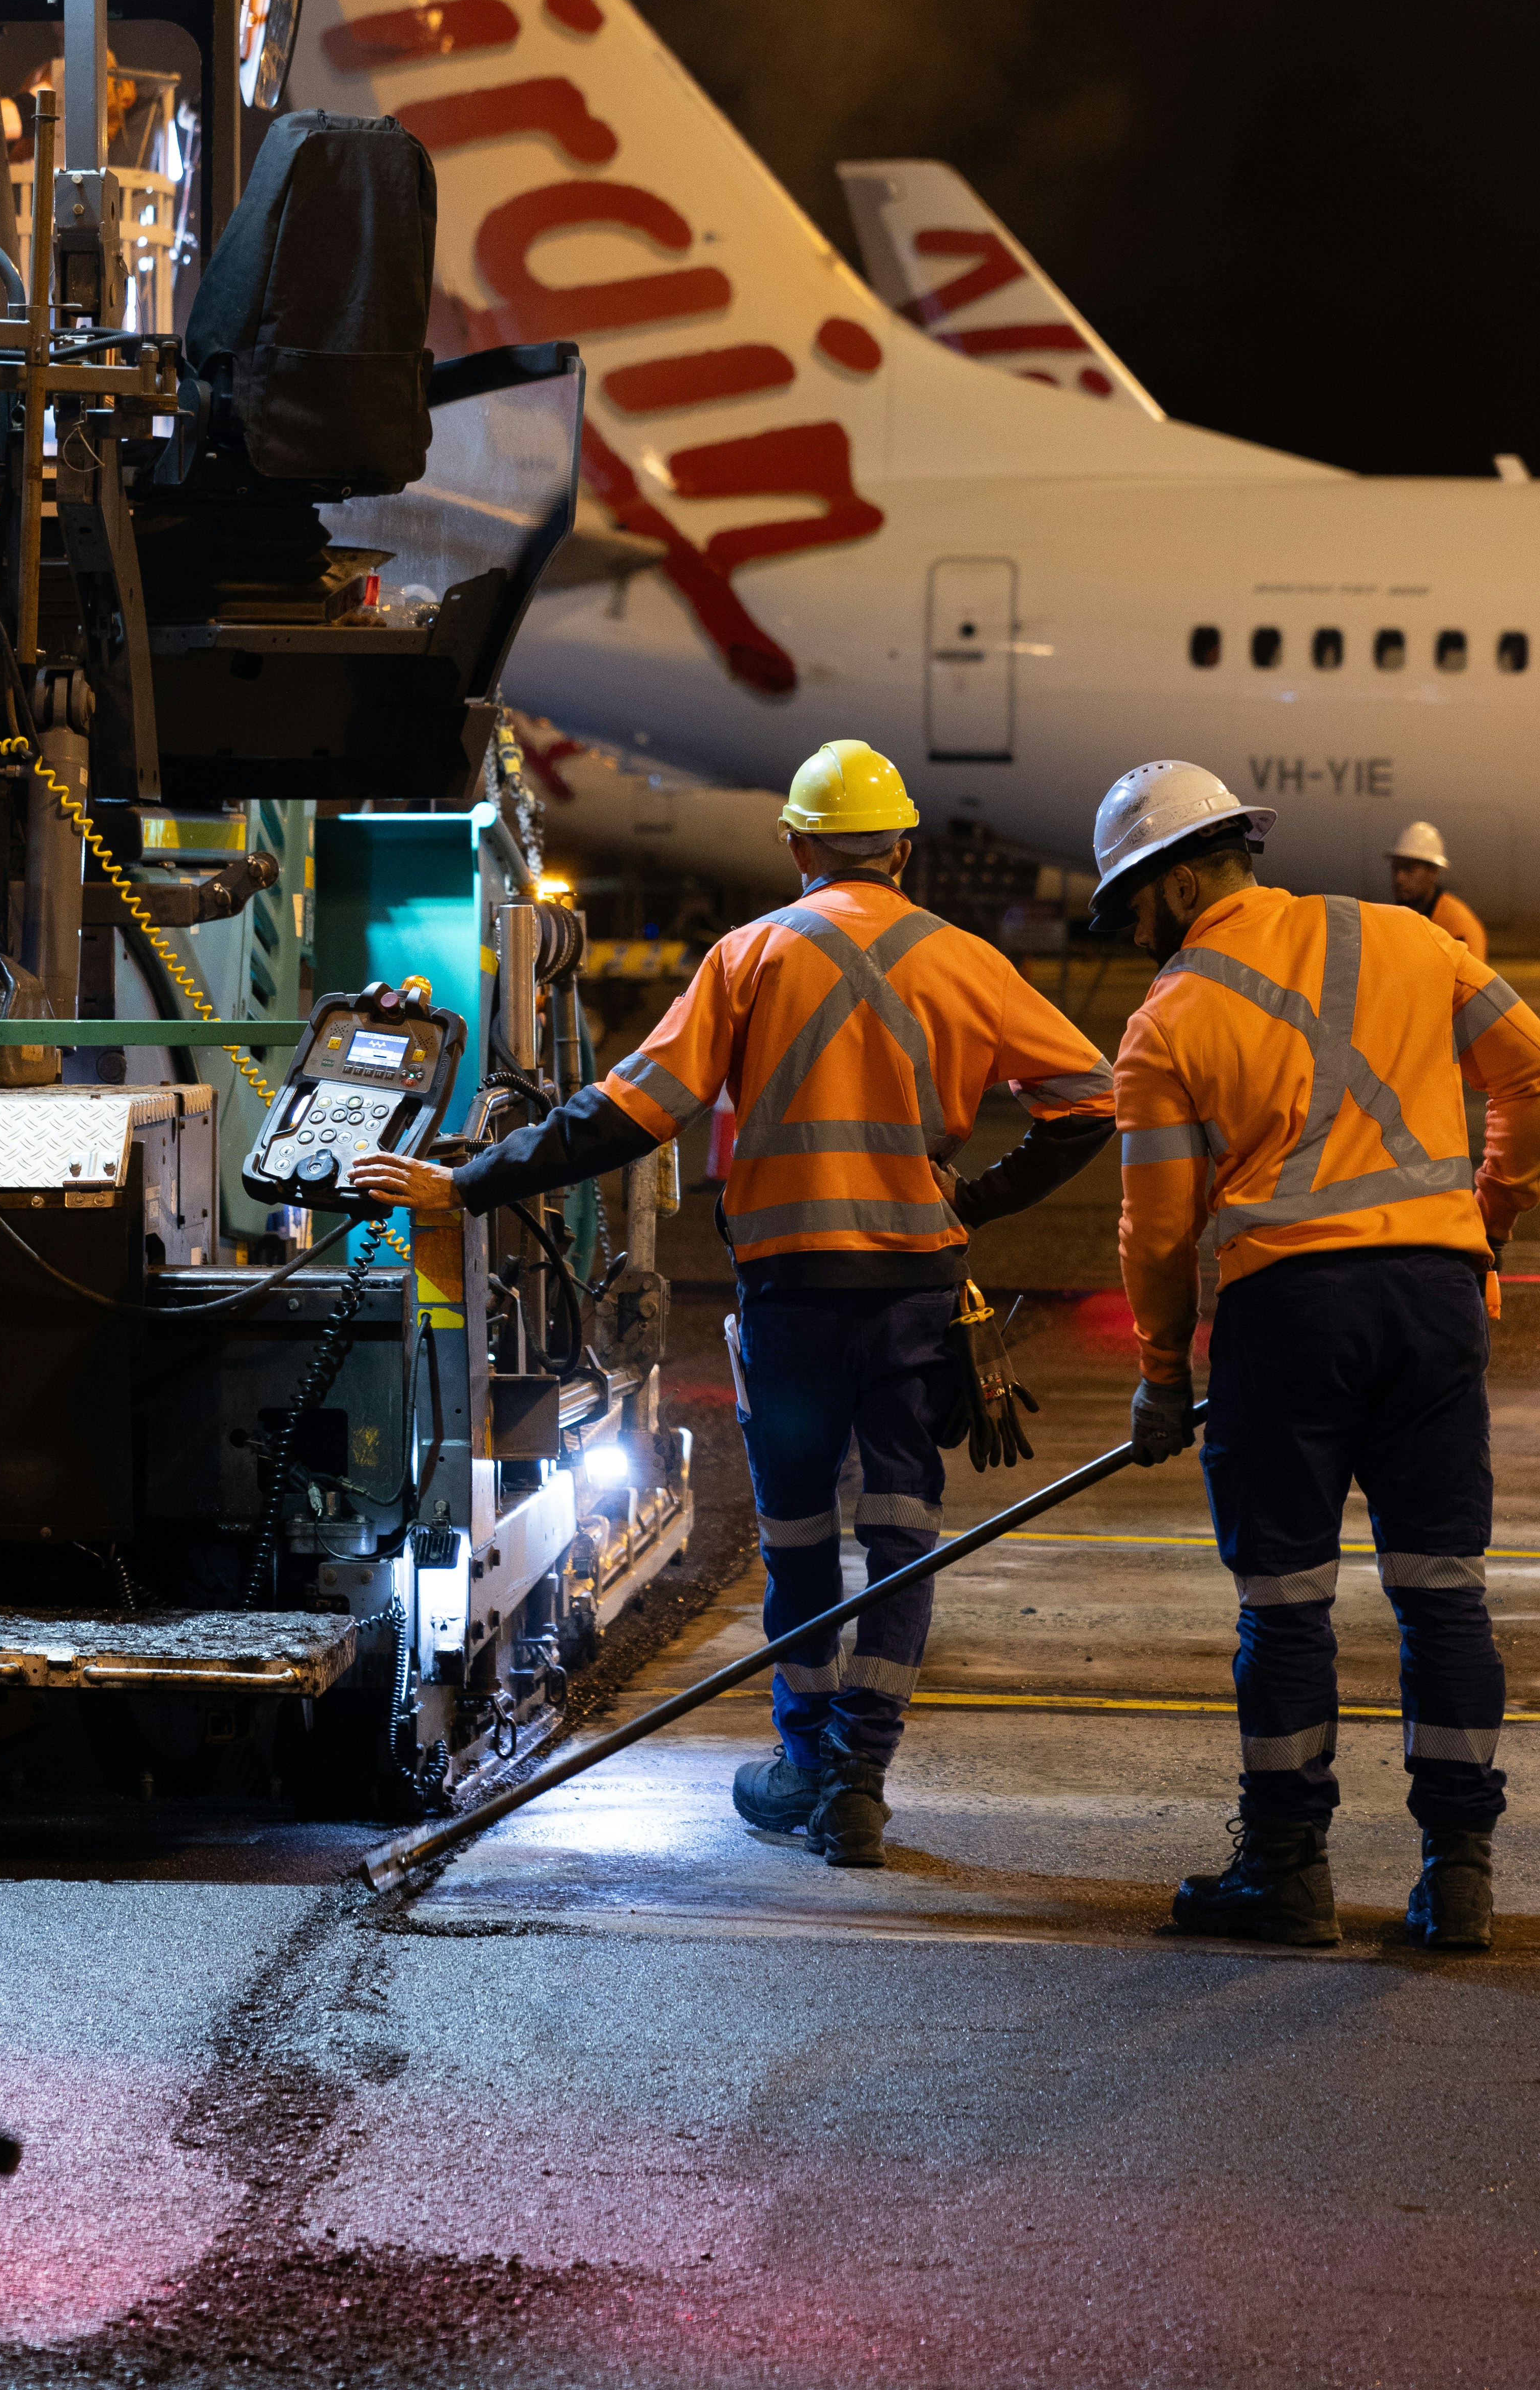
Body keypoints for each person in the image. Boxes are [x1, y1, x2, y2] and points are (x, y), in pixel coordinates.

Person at [354, 738, 1117, 1867]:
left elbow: (624, 1115)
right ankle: (858, 1778)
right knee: (901, 1536)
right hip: (915, 1292)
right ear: (902, 847)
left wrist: (467, 1180)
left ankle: (804, 1762)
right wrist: (978, 1203)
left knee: (798, 1540)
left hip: (790, 1300)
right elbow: (1089, 1101)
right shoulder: (966, 961)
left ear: (799, 846)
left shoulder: (747, 956)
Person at [1099, 759, 1540, 1956]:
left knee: (1286, 1608)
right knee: (1441, 1595)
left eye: (1126, 903)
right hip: (1432, 1301)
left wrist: (1162, 1374)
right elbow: (1539, 1075)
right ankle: (1458, 1877)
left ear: (1173, 879)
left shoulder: (1164, 1021)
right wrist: (1485, 1218)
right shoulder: (1404, 938)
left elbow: (1155, 1230)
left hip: (1288, 1317)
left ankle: (1285, 1873)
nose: (1124, 932)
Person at [1385, 818, 1487, 961]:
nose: (1399, 878)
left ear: (1434, 871)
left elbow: (1474, 982)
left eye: (1409, 870)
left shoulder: (1459, 925)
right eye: (1395, 869)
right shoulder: (1396, 920)